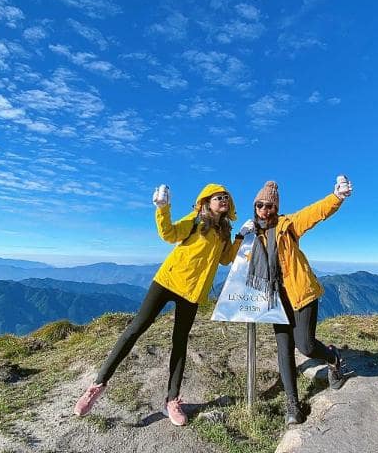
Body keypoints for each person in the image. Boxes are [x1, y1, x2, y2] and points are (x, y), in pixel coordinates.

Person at [73, 183, 243, 426]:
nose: (224, 199)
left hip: (192, 293)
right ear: (206, 201)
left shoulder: (224, 231)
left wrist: (238, 238)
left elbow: (225, 260)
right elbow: (169, 234)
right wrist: (162, 208)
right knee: (135, 329)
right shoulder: (196, 220)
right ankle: (96, 386)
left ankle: (172, 401)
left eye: (227, 196)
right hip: (167, 282)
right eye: (219, 196)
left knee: (180, 342)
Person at [238, 175, 353, 425]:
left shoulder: (288, 225)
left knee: (306, 346)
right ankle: (293, 404)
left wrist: (337, 197)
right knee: (283, 350)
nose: (264, 210)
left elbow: (315, 213)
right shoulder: (252, 235)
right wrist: (241, 237)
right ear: (255, 207)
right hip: (274, 300)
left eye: (269, 206)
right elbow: (234, 262)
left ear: (276, 208)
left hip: (301, 295)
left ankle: (333, 357)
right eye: (260, 205)